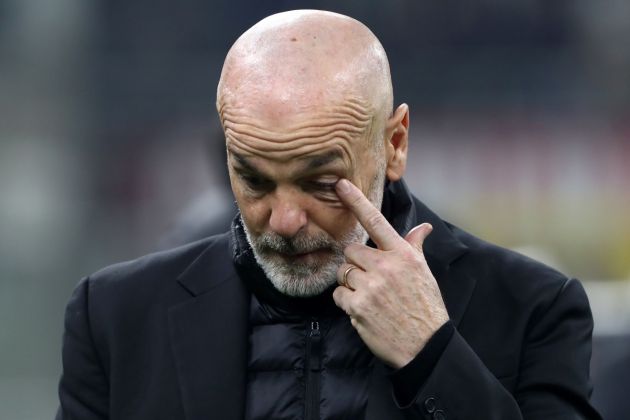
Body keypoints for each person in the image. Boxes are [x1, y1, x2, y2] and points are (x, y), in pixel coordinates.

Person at [56, 10, 601, 420]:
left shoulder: (533, 310)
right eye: (254, 180)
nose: (285, 219)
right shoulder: (115, 317)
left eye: (321, 183)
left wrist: (432, 356)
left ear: (394, 144)